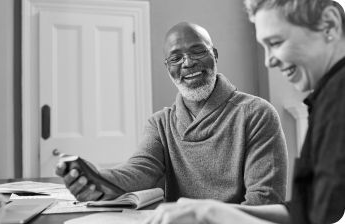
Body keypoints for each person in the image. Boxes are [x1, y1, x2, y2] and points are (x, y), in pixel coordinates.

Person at [143, 0, 345, 224]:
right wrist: (207, 209)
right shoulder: (328, 96)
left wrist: (212, 213)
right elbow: (309, 211)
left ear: (330, 24)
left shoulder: (337, 97)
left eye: (276, 42)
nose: (268, 61)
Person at [55, 22, 288, 206]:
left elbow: (263, 202)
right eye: (176, 58)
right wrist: (96, 177)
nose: (187, 63)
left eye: (197, 51)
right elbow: (140, 170)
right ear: (168, 68)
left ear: (214, 55)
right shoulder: (160, 124)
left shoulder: (257, 113)